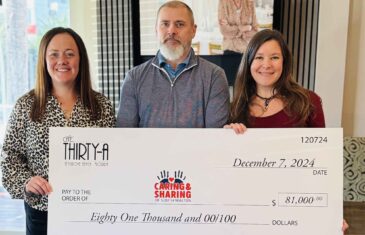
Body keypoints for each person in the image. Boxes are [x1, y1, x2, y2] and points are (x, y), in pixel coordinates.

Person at [224, 29, 348, 234]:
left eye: (274, 57)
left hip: (297, 207)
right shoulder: (236, 107)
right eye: (259, 57)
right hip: (251, 212)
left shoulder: (308, 101)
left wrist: (332, 211)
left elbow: (322, 163)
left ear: (284, 62)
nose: (266, 65)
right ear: (248, 63)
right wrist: (227, 138)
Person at [0, 27, 115, 235]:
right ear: (44, 60)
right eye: (54, 54)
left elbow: (114, 156)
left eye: (70, 54)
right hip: (43, 214)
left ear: (80, 59)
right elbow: (10, 158)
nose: (62, 60)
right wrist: (27, 181)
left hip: (92, 212)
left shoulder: (101, 105)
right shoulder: (26, 105)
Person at [116, 1, 230, 128]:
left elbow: (216, 138)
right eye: (165, 24)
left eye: (179, 24)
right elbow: (125, 136)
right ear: (156, 30)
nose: (171, 31)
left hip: (198, 149)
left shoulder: (214, 76)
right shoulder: (134, 78)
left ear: (193, 30)